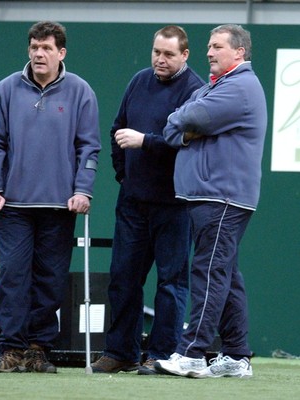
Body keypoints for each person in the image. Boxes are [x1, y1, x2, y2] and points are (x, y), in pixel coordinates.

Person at [0, 21, 101, 373]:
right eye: (34, 46)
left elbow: (89, 148)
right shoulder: (5, 90)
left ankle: (37, 349)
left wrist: (83, 190)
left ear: (61, 53)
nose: (38, 53)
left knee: (50, 280)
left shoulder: (81, 92)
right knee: (12, 277)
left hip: (60, 205)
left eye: (46, 47)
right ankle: (9, 348)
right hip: (14, 205)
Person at [154, 24, 267, 378]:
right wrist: (183, 122)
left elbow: (187, 117)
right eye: (208, 46)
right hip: (211, 195)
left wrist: (184, 121)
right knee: (226, 275)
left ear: (239, 52)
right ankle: (235, 355)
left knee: (209, 272)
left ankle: (193, 353)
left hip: (222, 196)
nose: (209, 52)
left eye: (217, 46)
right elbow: (174, 126)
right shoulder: (215, 86)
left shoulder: (241, 86)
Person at [91, 25, 204, 375]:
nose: (160, 59)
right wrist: (123, 176)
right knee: (123, 278)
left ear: (184, 55)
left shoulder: (197, 90)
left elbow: (185, 141)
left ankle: (161, 355)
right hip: (133, 202)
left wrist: (145, 142)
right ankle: (120, 351)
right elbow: (116, 130)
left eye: (169, 54)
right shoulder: (139, 81)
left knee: (171, 283)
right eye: (157, 52)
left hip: (175, 204)